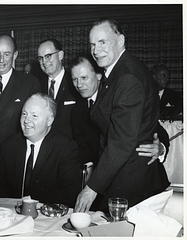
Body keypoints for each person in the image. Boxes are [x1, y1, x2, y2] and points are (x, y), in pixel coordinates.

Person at [74, 18, 169, 213]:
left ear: (120, 41)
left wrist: (91, 189)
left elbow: (121, 142)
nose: (96, 50)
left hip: (133, 185)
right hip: (124, 178)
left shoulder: (126, 77)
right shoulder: (118, 71)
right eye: (92, 44)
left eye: (102, 42)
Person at [70, 55, 169, 170]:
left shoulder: (118, 98)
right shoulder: (77, 110)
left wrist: (161, 148)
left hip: (134, 171)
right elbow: (83, 149)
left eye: (84, 78)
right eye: (74, 79)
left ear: (98, 76)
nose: (79, 85)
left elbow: (157, 130)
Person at [0, 93, 81, 208]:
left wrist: (32, 202)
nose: (26, 120)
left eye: (34, 116)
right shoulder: (9, 145)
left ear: (49, 120)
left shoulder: (65, 148)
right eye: (24, 114)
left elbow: (69, 194)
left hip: (45, 216)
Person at [0, 34, 41, 165]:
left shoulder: (29, 83)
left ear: (15, 55)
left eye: (7, 54)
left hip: (13, 158)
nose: (1, 60)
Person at [37, 39, 80, 138]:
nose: (44, 62)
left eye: (48, 56)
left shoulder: (75, 82)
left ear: (60, 55)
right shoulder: (37, 85)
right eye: (40, 58)